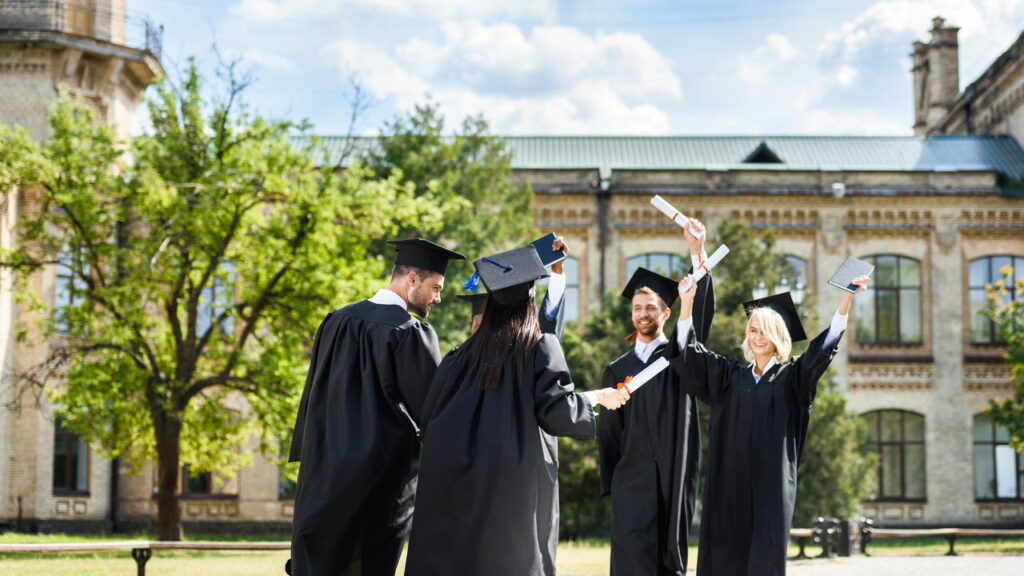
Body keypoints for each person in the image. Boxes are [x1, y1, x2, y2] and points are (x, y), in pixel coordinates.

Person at [405, 245, 630, 576]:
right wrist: (596, 397)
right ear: (529, 303)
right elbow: (557, 412)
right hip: (512, 488)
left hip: (455, 484)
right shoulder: (538, 348)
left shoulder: (457, 357)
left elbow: (429, 419)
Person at [287, 238, 465, 576]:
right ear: (412, 278)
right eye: (436, 287)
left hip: (321, 483)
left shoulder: (336, 321)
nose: (438, 298)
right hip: (380, 488)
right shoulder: (410, 332)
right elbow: (436, 412)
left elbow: (312, 399)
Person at [673, 273, 871, 576]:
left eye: (765, 331)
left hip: (771, 487)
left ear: (779, 335)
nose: (758, 337)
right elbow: (690, 354)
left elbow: (822, 350)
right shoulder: (729, 377)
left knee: (766, 556)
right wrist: (686, 303)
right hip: (730, 483)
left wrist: (847, 298)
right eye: (753, 330)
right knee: (725, 553)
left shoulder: (793, 378)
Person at [597, 220, 716, 576]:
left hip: (673, 473)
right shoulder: (618, 369)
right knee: (630, 561)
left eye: (650, 307)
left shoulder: (681, 357)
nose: (643, 314)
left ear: (666, 313)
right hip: (631, 479)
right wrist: (615, 482)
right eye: (637, 308)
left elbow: (700, 315)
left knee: (670, 561)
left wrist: (697, 251)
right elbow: (609, 434)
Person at [458, 235, 572, 337]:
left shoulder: (526, 347)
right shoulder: (460, 353)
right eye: (478, 326)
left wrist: (557, 271)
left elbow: (547, 322)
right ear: (471, 326)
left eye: (486, 324)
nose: (482, 331)